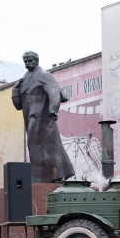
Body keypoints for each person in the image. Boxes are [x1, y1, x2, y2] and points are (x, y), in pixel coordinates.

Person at [12, 51, 75, 182]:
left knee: (47, 146)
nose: (27, 64)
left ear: (37, 60)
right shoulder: (25, 79)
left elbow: (54, 92)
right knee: (36, 146)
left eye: (29, 61)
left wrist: (53, 109)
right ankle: (45, 176)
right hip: (31, 117)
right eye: (25, 61)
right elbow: (18, 105)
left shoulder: (44, 75)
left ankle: (48, 176)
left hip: (43, 117)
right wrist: (15, 89)